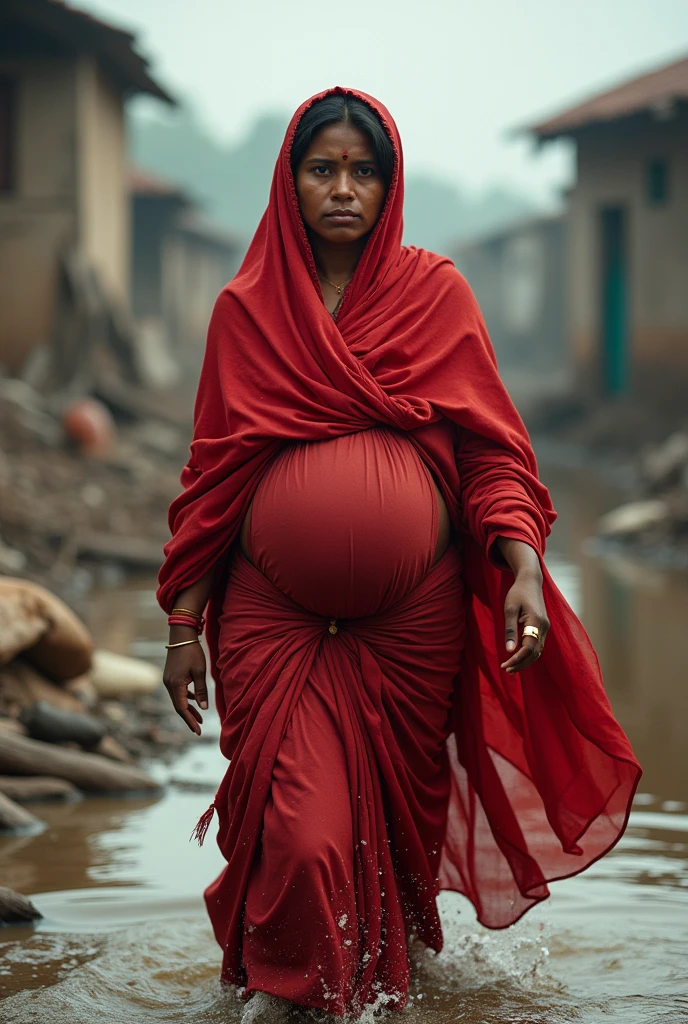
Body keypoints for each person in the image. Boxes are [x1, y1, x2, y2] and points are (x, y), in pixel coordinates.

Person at [158, 87, 640, 1020]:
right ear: (289, 182)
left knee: (392, 837)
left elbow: (492, 453)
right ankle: (300, 994)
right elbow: (213, 479)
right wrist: (183, 622)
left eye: (363, 171)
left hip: (408, 631)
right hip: (273, 616)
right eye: (323, 168)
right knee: (301, 838)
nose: (344, 188)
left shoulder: (434, 296)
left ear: (390, 184)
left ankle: (376, 993)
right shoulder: (245, 314)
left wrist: (525, 568)